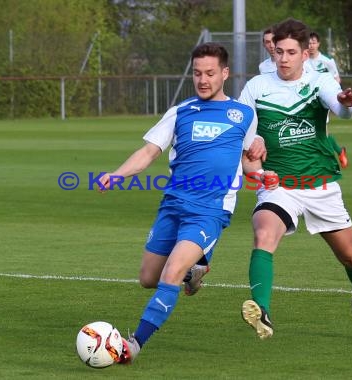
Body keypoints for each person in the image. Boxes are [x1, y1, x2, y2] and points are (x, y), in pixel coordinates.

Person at [97, 42, 260, 364]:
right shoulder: (180, 111)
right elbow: (148, 152)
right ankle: (195, 269)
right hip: (173, 203)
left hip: (210, 210)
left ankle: (135, 344)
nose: (203, 80)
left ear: (225, 73)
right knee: (148, 278)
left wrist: (264, 173)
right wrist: (117, 174)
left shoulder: (243, 114)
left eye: (210, 73)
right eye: (197, 73)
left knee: (170, 272)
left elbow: (246, 160)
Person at [237, 18, 352, 342]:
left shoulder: (318, 81)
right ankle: (261, 309)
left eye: (291, 52)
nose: (283, 58)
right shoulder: (256, 87)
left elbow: (338, 104)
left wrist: (346, 106)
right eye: (279, 51)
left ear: (305, 54)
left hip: (320, 187)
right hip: (278, 186)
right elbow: (240, 131)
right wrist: (250, 148)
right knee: (264, 233)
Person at [307, 31, 348, 168]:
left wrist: (333, 97)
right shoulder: (303, 60)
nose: (311, 45)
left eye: (313, 42)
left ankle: (328, 160)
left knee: (320, 132)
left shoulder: (327, 61)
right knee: (313, 132)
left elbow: (336, 78)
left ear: (318, 44)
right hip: (306, 100)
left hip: (321, 101)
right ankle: (337, 151)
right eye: (309, 42)